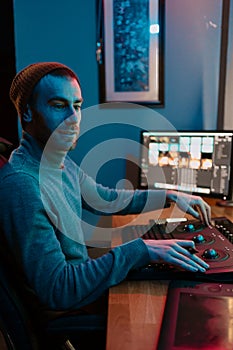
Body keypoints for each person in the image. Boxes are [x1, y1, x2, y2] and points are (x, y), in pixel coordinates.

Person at [0, 62, 210, 331]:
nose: (73, 118)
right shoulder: (23, 186)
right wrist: (139, 250)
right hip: (70, 312)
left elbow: (105, 198)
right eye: (58, 105)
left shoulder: (55, 162)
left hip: (83, 292)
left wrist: (168, 195)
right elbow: (57, 290)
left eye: (77, 106)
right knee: (171, 322)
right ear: (28, 113)